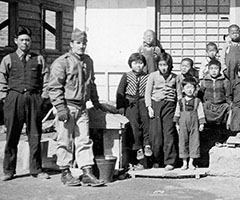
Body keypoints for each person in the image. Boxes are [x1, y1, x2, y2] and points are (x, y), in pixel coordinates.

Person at [48, 28, 105, 187]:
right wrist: (60, 108)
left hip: (82, 108)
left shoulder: (88, 61)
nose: (81, 46)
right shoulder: (62, 62)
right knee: (65, 141)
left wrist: (96, 102)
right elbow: (54, 87)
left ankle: (87, 172)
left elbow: (91, 83)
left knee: (84, 140)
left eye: (84, 43)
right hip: (67, 106)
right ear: (71, 44)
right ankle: (65, 172)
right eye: (78, 43)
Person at [0, 26, 50, 181]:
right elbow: (1, 79)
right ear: (16, 41)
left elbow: (46, 79)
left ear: (31, 42)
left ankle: (36, 169)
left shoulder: (39, 59)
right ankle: (9, 170)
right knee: (12, 135)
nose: (25, 43)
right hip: (14, 98)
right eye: (22, 40)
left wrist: (43, 97)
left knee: (35, 135)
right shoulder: (8, 59)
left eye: (27, 40)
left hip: (34, 98)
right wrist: (5, 98)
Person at [116, 52, 151, 167]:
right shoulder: (126, 75)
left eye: (140, 63)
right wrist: (121, 108)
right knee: (134, 125)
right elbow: (120, 91)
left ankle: (146, 145)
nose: (138, 66)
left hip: (143, 102)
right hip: (130, 103)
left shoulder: (147, 76)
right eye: (135, 63)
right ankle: (138, 148)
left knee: (146, 123)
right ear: (130, 64)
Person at [145, 52, 178, 171]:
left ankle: (170, 161)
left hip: (169, 106)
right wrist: (149, 107)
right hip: (155, 105)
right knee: (156, 134)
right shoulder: (153, 76)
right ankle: (156, 160)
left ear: (170, 65)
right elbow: (147, 93)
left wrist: (177, 111)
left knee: (169, 134)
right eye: (161, 65)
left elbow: (179, 95)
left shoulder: (175, 77)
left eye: (165, 65)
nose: (163, 67)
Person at [174, 77, 205, 170]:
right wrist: (177, 124)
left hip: (194, 124)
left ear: (195, 89)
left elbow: (200, 112)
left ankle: (191, 162)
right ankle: (184, 163)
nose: (189, 90)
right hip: (183, 124)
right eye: (187, 87)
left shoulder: (197, 101)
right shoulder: (180, 101)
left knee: (194, 142)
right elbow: (177, 113)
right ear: (183, 89)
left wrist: (201, 123)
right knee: (183, 142)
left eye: (192, 87)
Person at [199, 59, 231, 125]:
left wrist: (230, 103)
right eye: (211, 68)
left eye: (216, 68)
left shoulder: (225, 81)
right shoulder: (204, 81)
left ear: (220, 70)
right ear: (208, 70)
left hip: (221, 105)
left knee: (228, 108)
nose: (214, 71)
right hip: (209, 104)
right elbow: (200, 94)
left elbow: (228, 94)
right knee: (203, 107)